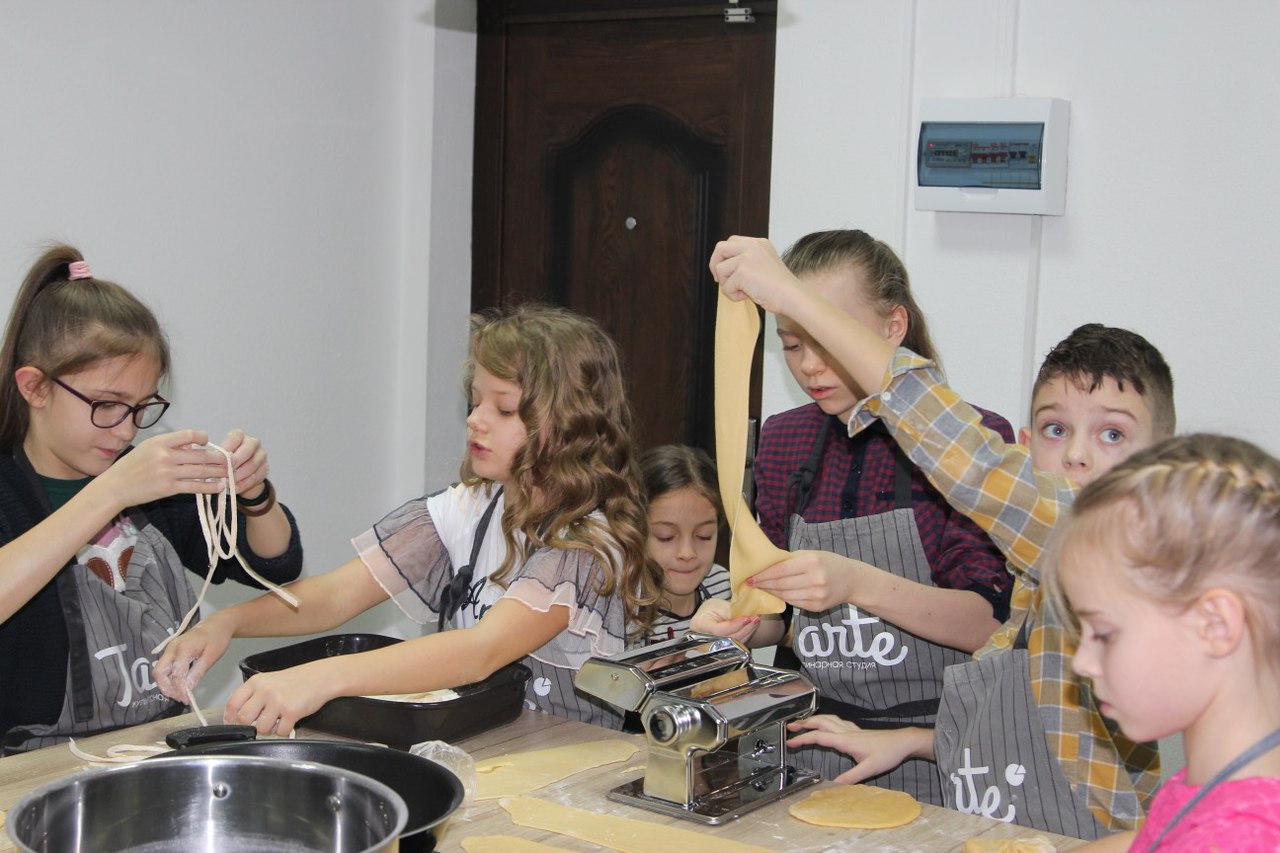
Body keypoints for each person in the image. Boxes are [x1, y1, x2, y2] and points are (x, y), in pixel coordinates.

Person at [708, 235, 1175, 839]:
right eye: (1057, 430)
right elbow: (1007, 719)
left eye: (1112, 434)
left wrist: (789, 293)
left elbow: (970, 462)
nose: (1078, 455)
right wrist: (907, 741)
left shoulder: (1100, 541)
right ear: (1027, 447)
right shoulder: (1039, 578)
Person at [156, 304, 662, 733]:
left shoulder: (590, 545)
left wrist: (320, 678)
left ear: (572, 423)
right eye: (475, 401)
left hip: (565, 766)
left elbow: (481, 651)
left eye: (504, 409)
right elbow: (336, 596)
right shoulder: (472, 506)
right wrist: (227, 623)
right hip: (486, 745)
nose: (474, 419)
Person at [696, 230, 1014, 806]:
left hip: (937, 755)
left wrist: (857, 584)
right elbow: (782, 617)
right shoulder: (785, 440)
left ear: (893, 327)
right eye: (792, 344)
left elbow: (989, 626)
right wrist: (740, 624)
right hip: (807, 745)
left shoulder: (969, 443)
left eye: (827, 338)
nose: (810, 365)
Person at [0, 244, 303, 754]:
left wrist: (256, 495)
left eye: (141, 407)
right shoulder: (24, 490)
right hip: (29, 770)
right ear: (35, 388)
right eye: (106, 405)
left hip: (154, 748)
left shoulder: (154, 486)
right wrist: (113, 490)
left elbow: (275, 564)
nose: (126, 430)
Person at [1051, 434, 1280, 851]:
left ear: (1214, 625)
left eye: (1104, 633)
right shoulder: (1213, 784)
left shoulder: (1239, 840)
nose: (1082, 663)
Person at [640, 444, 730, 645]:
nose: (687, 553)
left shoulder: (724, 588)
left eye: (704, 536)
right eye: (666, 537)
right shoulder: (621, 611)